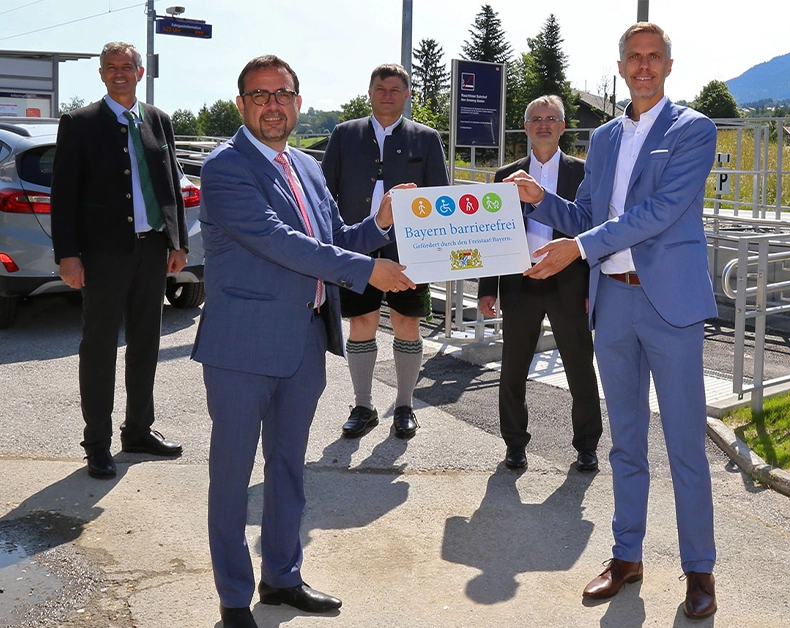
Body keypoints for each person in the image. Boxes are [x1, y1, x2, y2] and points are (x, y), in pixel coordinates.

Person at [504, 22, 718, 619]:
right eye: (634, 58)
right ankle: (627, 557)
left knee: (683, 446)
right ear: (621, 66)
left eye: (654, 58)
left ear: (668, 67)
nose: (643, 67)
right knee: (626, 441)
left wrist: (578, 246)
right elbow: (587, 214)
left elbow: (660, 212)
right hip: (613, 303)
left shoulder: (693, 129)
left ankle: (698, 569)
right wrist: (539, 200)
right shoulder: (602, 140)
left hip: (668, 303)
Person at [193, 55, 416, 628]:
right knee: (233, 474)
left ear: (297, 100)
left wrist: (383, 223)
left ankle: (282, 577)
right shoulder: (226, 168)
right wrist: (367, 272)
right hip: (241, 350)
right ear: (242, 105)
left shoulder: (309, 168)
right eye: (260, 95)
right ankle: (235, 597)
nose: (274, 105)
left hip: (303, 343)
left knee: (289, 466)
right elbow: (279, 241)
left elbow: (334, 236)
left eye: (283, 94)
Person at [51, 41, 188, 480]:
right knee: (99, 349)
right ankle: (97, 444)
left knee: (146, 343)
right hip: (102, 255)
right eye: (111, 67)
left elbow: (169, 185)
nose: (119, 73)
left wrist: (178, 241)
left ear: (140, 71)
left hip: (151, 250)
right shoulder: (80, 123)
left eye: (126, 66)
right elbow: (64, 194)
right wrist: (68, 255)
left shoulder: (158, 121)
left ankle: (138, 431)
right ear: (102, 74)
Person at [322, 63, 449, 440]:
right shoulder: (345, 134)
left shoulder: (425, 138)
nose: (387, 94)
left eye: (395, 89)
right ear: (370, 92)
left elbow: (439, 196)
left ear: (407, 94)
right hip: (356, 247)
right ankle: (363, 405)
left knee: (406, 324)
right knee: (361, 324)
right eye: (381, 88)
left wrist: (436, 253)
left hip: (408, 251)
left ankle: (405, 405)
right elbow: (326, 191)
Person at [477, 95, 602, 472]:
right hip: (520, 283)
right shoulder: (504, 176)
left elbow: (596, 231)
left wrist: (593, 291)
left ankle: (586, 446)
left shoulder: (584, 174)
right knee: (513, 369)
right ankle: (514, 444)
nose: (544, 124)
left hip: (570, 284)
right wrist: (487, 288)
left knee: (580, 369)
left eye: (551, 118)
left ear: (563, 127)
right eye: (536, 119)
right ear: (527, 127)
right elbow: (490, 235)